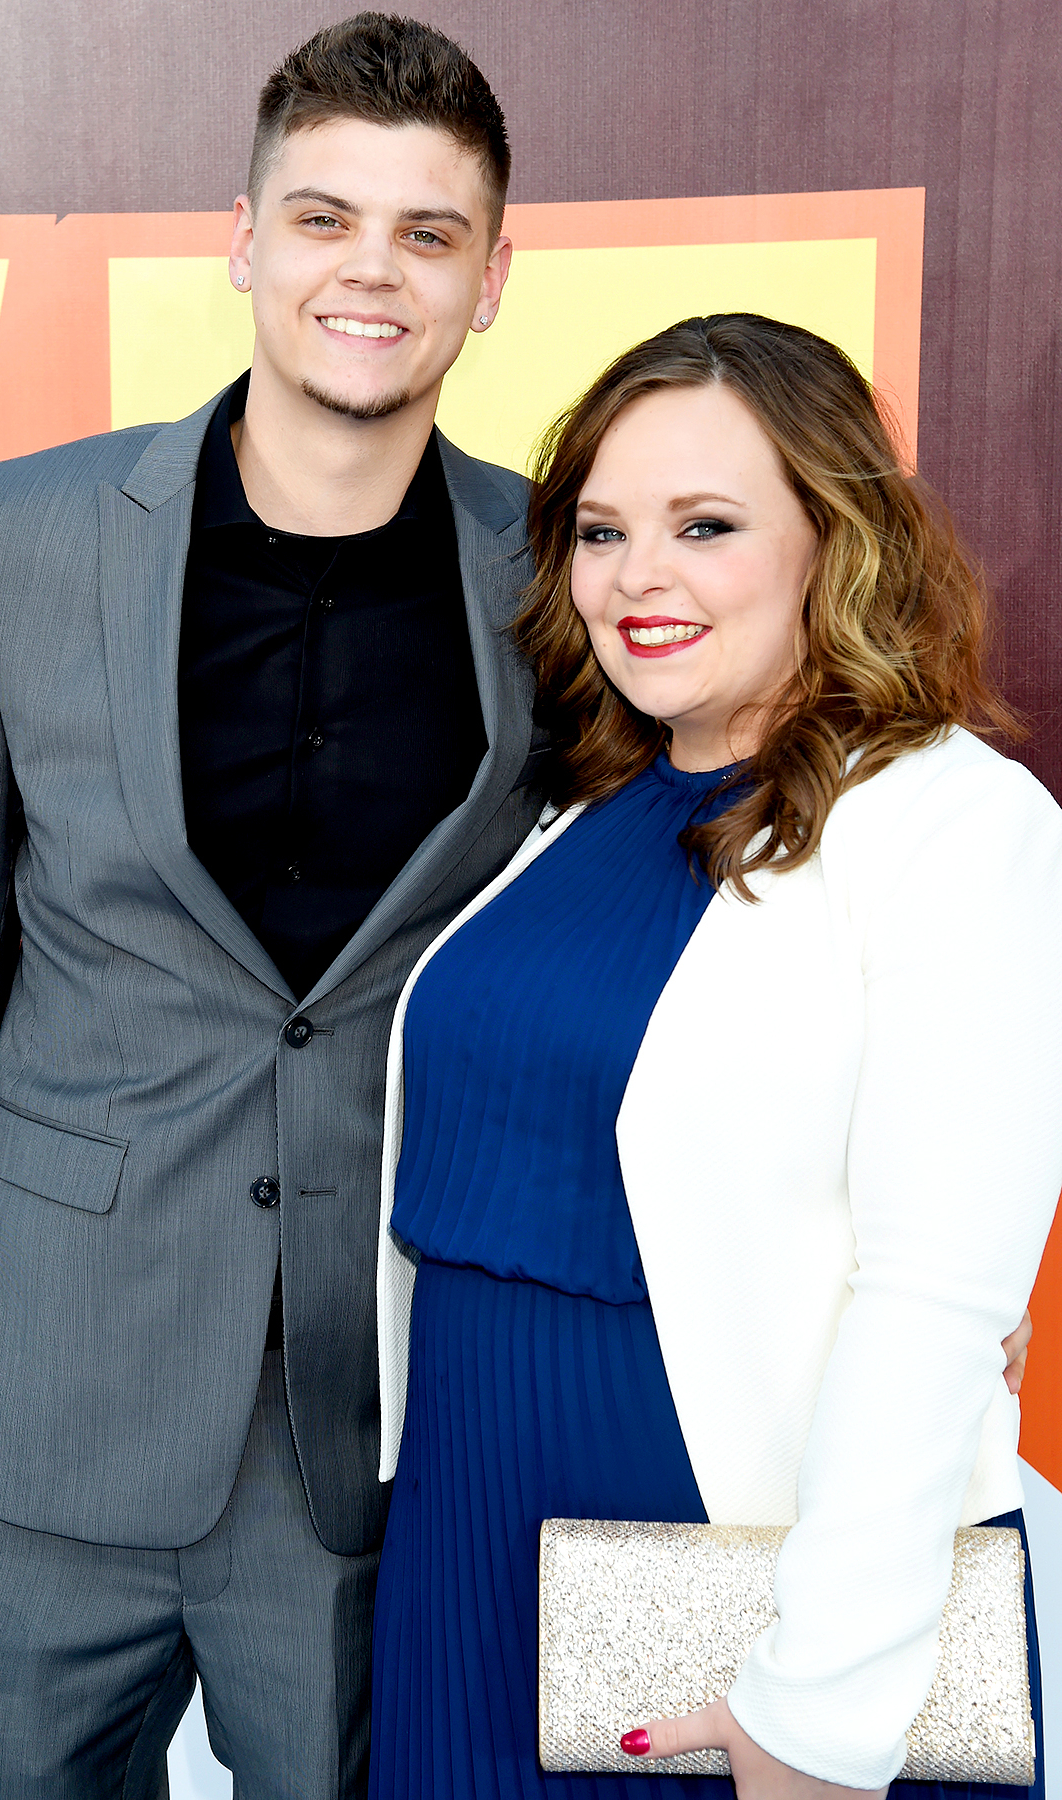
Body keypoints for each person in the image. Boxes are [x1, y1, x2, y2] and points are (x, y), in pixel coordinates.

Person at [0, 15, 545, 1796]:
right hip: (34, 1425)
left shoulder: (558, 576)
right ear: (242, 240)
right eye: (323, 218)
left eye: (426, 233)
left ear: (489, 280)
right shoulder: (15, 537)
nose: (370, 270)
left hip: (375, 1437)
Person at [369, 313, 1062, 1800]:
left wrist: (822, 1705)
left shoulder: (951, 822)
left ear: (835, 540)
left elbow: (938, 1296)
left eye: (705, 526)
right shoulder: (580, 807)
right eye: (601, 531)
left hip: (728, 1561)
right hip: (469, 1533)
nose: (639, 577)